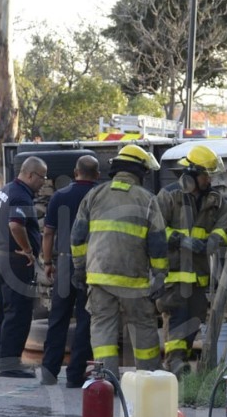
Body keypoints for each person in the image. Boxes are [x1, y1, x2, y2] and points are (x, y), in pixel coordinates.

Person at [70, 144, 168, 378]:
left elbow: (77, 236)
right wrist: (160, 275)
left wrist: (79, 268)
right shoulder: (148, 199)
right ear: (140, 172)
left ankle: (106, 378)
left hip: (98, 277)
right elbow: (157, 243)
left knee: (102, 326)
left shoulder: (94, 194)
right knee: (143, 326)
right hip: (133, 280)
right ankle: (149, 377)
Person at [154, 145, 227, 375]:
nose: (210, 179)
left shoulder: (215, 200)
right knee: (177, 316)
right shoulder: (169, 196)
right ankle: (175, 362)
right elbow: (154, 228)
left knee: (195, 318)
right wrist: (179, 239)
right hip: (174, 273)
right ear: (193, 174)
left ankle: (181, 361)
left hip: (198, 274)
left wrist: (212, 242)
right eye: (207, 175)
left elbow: (225, 224)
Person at [39, 155, 99, 387]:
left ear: (75, 172)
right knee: (86, 319)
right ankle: (75, 376)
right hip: (92, 263)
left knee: (58, 317)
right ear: (98, 174)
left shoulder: (59, 196)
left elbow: (48, 233)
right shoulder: (99, 195)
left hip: (64, 262)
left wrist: (47, 262)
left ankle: (49, 372)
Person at [0, 156, 47, 378]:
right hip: (15, 261)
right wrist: (28, 250)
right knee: (18, 313)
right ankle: (10, 364)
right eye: (42, 177)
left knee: (2, 312)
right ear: (30, 174)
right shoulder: (21, 195)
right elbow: (15, 224)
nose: (44, 182)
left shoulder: (7, 189)